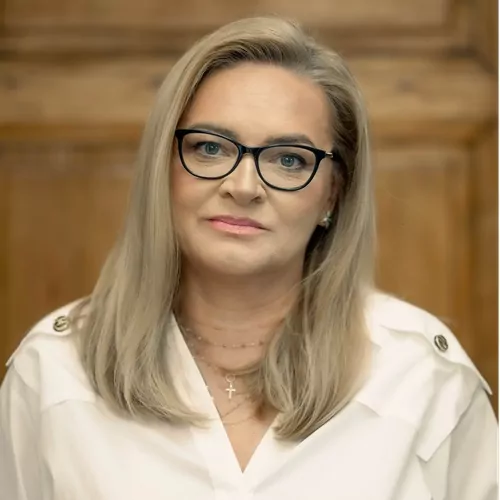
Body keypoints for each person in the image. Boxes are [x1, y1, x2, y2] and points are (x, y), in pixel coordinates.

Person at [0, 16, 497, 500]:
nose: (242, 187)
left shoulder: (422, 378)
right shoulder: (54, 370)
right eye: (210, 148)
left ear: (332, 193)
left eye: (289, 159)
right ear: (162, 168)